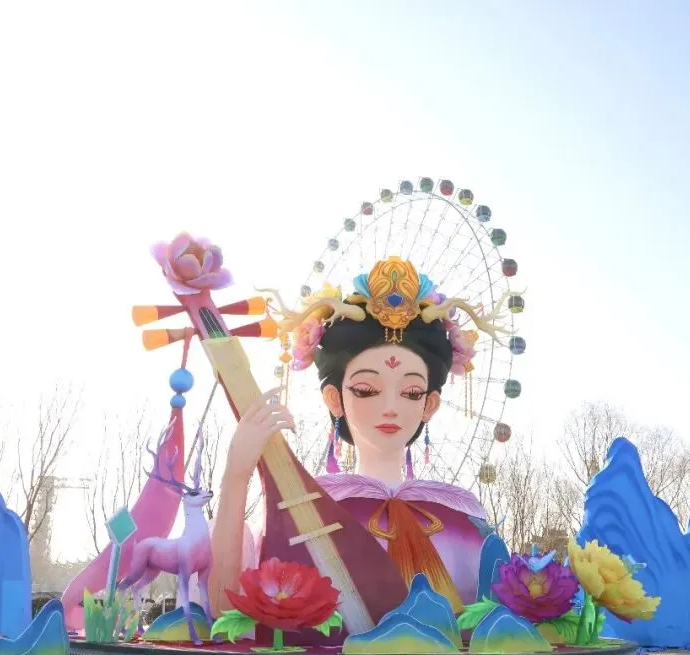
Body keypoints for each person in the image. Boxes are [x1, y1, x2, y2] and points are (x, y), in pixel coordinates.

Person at [207, 256, 513, 623]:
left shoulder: (463, 515)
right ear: (335, 399)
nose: (390, 408)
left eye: (411, 393)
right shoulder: (308, 508)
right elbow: (229, 612)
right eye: (367, 390)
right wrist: (237, 475)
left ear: (430, 404)